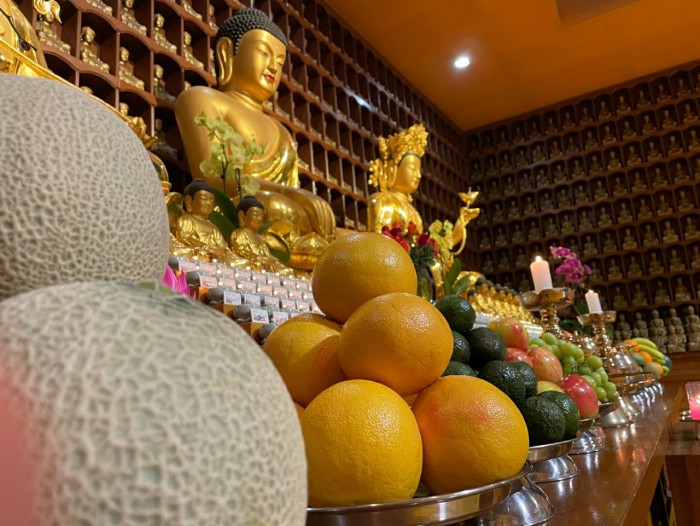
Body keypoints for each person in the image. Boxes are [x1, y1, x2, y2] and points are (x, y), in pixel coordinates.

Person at [176, 8, 335, 269]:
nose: (273, 66)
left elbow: (294, 199)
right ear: (226, 52)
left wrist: (305, 203)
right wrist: (288, 193)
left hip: (284, 222)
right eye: (264, 53)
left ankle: (314, 254)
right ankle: (305, 255)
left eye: (280, 63)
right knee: (273, 204)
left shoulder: (282, 133)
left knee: (352, 239)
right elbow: (211, 180)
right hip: (240, 213)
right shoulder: (201, 98)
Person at [174, 180, 237, 263]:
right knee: (184, 252)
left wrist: (223, 252)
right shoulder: (186, 220)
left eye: (211, 201)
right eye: (204, 199)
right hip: (199, 254)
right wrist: (206, 248)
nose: (209, 203)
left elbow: (223, 246)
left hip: (215, 256)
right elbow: (185, 238)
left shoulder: (213, 227)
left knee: (239, 262)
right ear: (189, 202)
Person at [230, 195, 291, 274]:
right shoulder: (240, 233)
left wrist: (273, 260)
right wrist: (259, 259)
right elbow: (241, 252)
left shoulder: (261, 239)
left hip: (264, 265)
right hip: (250, 264)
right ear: (242, 216)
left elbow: (268, 255)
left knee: (288, 271)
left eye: (261, 216)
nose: (259, 219)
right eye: (255, 215)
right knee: (241, 264)